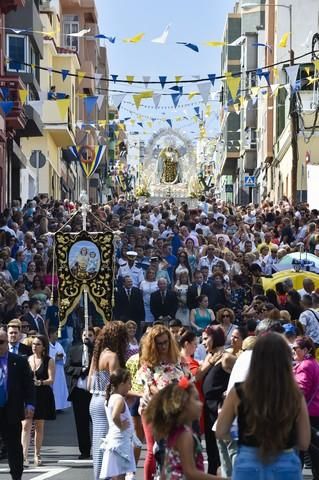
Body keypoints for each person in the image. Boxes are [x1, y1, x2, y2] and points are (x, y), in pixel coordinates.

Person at [216, 332, 311, 480]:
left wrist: (242, 437)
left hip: (248, 462)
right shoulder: (294, 395)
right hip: (285, 462)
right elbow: (304, 442)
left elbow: (221, 431)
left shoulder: (238, 392)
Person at [144, 377, 224, 480]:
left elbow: (166, 468)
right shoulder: (185, 436)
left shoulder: (175, 433)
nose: (200, 403)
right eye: (196, 399)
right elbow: (190, 473)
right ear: (183, 405)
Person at [137, 324, 190, 480]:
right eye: (159, 343)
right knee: (159, 451)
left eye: (165, 342)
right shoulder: (148, 363)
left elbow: (188, 381)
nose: (163, 346)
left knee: (178, 450)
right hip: (157, 410)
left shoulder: (179, 360)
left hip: (179, 410)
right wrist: (167, 396)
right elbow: (150, 386)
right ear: (153, 344)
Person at [89, 322, 128, 480]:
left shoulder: (99, 354)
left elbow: (88, 383)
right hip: (107, 401)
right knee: (108, 445)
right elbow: (116, 385)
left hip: (95, 400)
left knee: (99, 444)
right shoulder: (112, 356)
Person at [0, 329, 35, 480]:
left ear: (7, 343)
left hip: (11, 409)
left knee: (14, 446)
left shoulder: (19, 361)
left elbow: (29, 385)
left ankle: (16, 476)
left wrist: (30, 405)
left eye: (1, 342)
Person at [202, 326, 236, 475]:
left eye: (205, 339)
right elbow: (196, 376)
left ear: (215, 337)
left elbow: (242, 373)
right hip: (208, 406)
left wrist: (228, 393)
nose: (202, 343)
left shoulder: (226, 357)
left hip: (219, 406)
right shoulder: (209, 356)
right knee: (211, 449)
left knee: (220, 448)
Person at [22, 334, 55, 466]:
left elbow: (51, 380)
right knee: (25, 425)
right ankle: (24, 455)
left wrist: (40, 382)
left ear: (44, 347)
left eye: (38, 344)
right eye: (33, 344)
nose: (34, 347)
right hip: (28, 395)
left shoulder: (49, 360)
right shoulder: (26, 360)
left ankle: (37, 454)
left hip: (42, 394)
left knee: (39, 426)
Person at [100, 368, 138, 480]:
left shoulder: (112, 397)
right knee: (120, 473)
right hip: (120, 442)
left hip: (117, 440)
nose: (130, 386)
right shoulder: (119, 399)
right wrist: (121, 426)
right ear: (122, 384)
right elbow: (115, 416)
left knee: (117, 473)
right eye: (129, 383)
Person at [65, 328, 95, 459]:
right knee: (81, 423)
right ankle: (84, 450)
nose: (87, 337)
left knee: (96, 422)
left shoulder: (97, 351)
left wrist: (92, 348)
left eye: (90, 335)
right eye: (84, 335)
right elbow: (68, 367)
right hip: (78, 391)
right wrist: (80, 370)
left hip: (93, 392)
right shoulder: (73, 350)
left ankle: (99, 448)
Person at [292, 336, 319, 479]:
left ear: (306, 350)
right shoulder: (311, 363)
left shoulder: (305, 365)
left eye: (296, 348)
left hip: (307, 413)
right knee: (310, 449)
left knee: (305, 449)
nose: (293, 351)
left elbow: (301, 390)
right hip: (313, 411)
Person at [48, 327, 70, 411]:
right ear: (50, 334)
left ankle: (60, 406)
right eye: (56, 334)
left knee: (60, 389)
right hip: (52, 370)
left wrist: (61, 357)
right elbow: (46, 358)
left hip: (60, 369)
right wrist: (54, 358)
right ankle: (52, 407)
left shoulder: (58, 344)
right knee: (53, 388)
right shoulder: (47, 345)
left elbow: (64, 355)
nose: (57, 335)